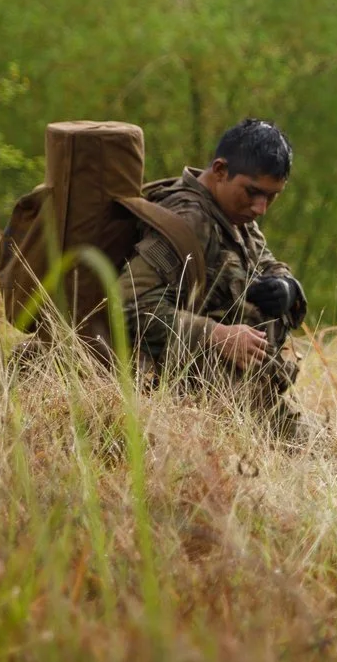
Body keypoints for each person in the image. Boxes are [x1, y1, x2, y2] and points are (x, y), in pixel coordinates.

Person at [114, 117, 309, 441]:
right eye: (254, 192)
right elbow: (126, 305)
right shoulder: (188, 220)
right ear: (220, 170)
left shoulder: (233, 213)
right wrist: (216, 335)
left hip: (237, 395)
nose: (261, 207)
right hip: (178, 403)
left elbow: (266, 261)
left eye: (272, 197)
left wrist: (286, 287)